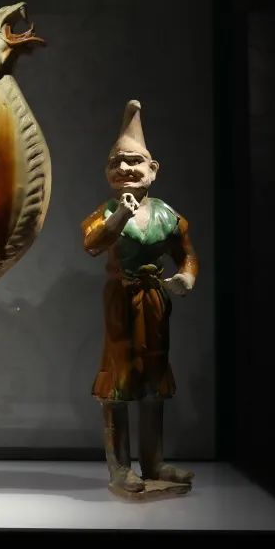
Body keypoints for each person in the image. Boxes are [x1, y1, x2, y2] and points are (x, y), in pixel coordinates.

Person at [80, 100, 199, 495]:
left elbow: (186, 254)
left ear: (153, 169)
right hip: (122, 301)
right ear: (107, 172)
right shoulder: (108, 210)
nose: (125, 168)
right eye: (116, 162)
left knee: (153, 380)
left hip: (155, 302)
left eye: (134, 161)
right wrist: (120, 216)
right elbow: (92, 244)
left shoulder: (167, 215)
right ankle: (120, 468)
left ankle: (153, 463)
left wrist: (186, 277)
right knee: (119, 379)